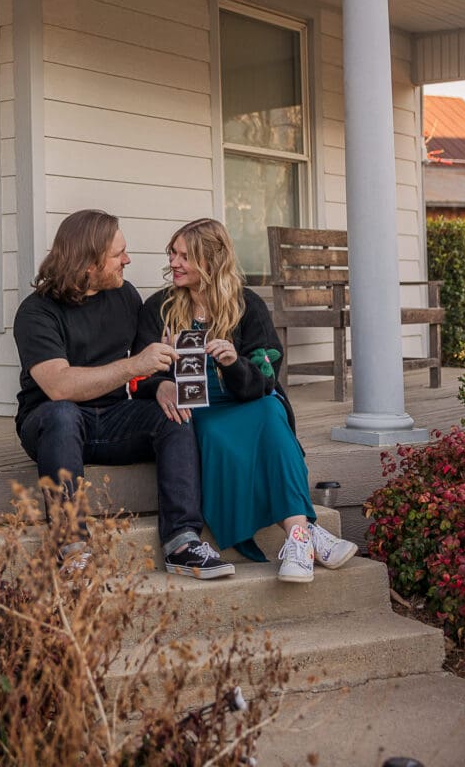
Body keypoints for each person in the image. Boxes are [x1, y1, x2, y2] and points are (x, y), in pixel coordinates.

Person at [13, 209, 235, 579]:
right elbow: (58, 386)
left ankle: (182, 541)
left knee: (173, 415)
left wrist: (162, 382)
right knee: (62, 413)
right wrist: (135, 367)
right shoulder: (37, 312)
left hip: (115, 419)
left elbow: (145, 367)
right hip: (53, 426)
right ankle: (73, 550)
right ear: (88, 263)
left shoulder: (125, 296)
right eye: (119, 254)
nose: (127, 260)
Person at [135, 218, 358, 583]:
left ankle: (298, 538)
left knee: (272, 411)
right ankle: (307, 534)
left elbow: (267, 375)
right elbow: (140, 372)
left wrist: (232, 362)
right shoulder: (158, 307)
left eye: (184, 256)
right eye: (172, 254)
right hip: (197, 408)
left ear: (210, 261)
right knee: (213, 430)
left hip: (243, 399)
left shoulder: (246, 304)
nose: (173, 262)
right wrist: (160, 384)